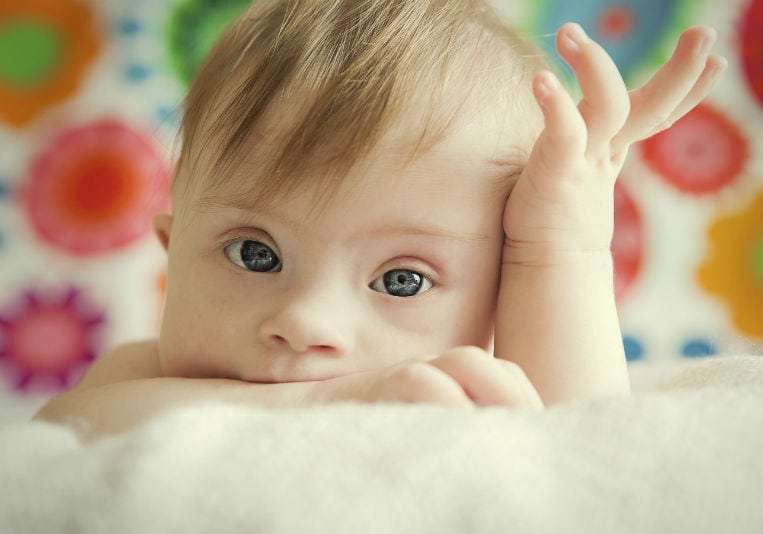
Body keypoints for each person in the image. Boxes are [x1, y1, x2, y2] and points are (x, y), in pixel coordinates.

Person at [36, 0, 726, 440]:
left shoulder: (463, 406)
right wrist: (318, 408)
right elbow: (63, 435)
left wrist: (558, 247)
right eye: (254, 253)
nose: (305, 321)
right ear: (170, 246)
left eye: (402, 281)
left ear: (498, 306)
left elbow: (586, 453)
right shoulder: (146, 386)